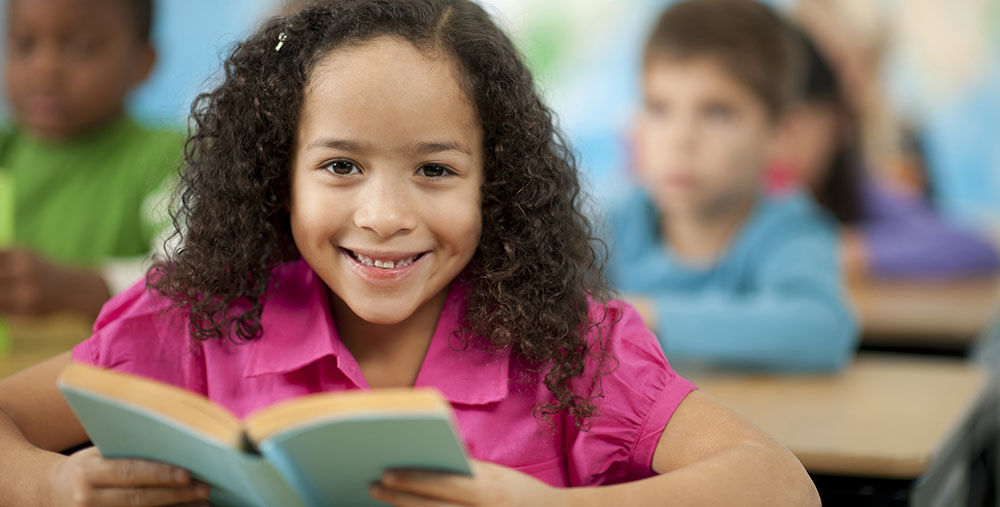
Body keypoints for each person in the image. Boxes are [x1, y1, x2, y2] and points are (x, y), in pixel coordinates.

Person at [0, 1, 819, 505]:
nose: (384, 215)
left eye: (434, 169)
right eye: (340, 166)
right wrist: (50, 484)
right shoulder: (203, 319)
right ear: (274, 175)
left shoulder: (574, 349)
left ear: (494, 183)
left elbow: (779, 484)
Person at [605, 0, 857, 372]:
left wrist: (644, 316)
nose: (681, 138)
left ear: (780, 133)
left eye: (717, 112)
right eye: (659, 109)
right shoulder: (609, 227)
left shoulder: (789, 232)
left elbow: (823, 330)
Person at [769, 25, 1000, 279]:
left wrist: (840, 250)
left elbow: (972, 247)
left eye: (794, 125)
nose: (775, 146)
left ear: (838, 124)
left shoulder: (850, 189)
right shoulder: (739, 201)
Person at [0, 0, 183, 318]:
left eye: (81, 47)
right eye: (25, 44)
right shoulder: (6, 150)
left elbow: (194, 269)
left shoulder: (168, 157)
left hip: (103, 367)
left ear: (143, 62)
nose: (45, 68)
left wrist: (82, 289)